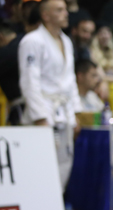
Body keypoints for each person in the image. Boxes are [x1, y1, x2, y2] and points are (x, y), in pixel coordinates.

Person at [18, 0, 80, 191]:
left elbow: (70, 80)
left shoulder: (66, 41)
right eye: (59, 10)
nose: (66, 13)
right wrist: (40, 117)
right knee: (40, 167)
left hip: (64, 112)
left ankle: (56, 206)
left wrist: (75, 112)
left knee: (64, 164)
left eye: (65, 9)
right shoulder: (32, 41)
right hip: (44, 111)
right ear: (45, 15)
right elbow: (29, 81)